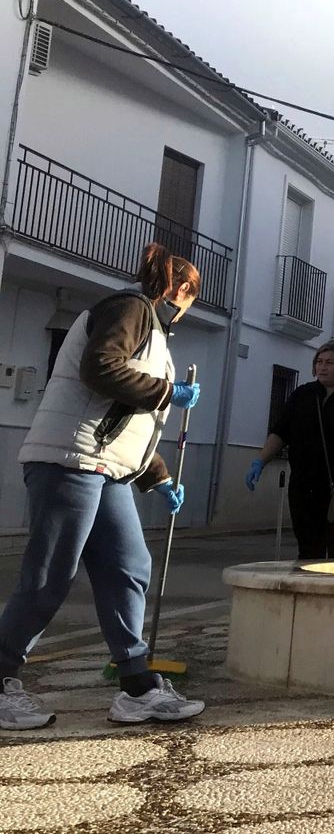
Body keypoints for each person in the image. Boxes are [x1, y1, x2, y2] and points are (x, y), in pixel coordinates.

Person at [0, 243, 207, 730]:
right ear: (182, 290)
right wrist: (167, 392)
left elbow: (124, 422)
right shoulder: (129, 308)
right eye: (190, 298)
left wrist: (158, 478)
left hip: (104, 466)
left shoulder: (152, 331)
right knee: (50, 576)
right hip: (71, 461)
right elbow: (102, 369)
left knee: (128, 566)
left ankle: (137, 689)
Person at [247, 341, 334, 559]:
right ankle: (308, 590)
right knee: (308, 547)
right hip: (305, 486)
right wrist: (260, 461)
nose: (322, 367)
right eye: (319, 362)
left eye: (330, 362)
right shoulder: (303, 395)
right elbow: (280, 432)